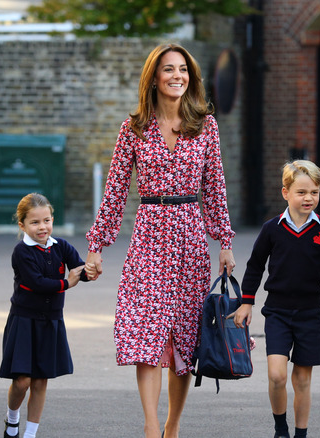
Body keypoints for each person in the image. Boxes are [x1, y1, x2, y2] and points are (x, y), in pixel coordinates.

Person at [83, 43, 236, 438]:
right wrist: (97, 246)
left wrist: (225, 242)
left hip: (189, 236)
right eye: (168, 70)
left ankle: (172, 426)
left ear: (191, 76)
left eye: (183, 69)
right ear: (154, 77)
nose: (177, 76)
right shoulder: (133, 128)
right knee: (146, 330)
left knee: (185, 338)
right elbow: (115, 192)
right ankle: (151, 426)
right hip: (149, 234)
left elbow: (215, 188)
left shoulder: (206, 125)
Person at [232, 160, 320, 438]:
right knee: (277, 375)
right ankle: (281, 429)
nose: (308, 198)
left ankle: (300, 434)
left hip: (311, 314)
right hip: (278, 313)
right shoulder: (272, 228)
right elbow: (255, 266)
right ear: (286, 193)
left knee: (302, 380)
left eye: (314, 192)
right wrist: (246, 302)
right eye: (301, 192)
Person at [0, 193, 88, 438]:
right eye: (35, 222)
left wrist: (90, 269)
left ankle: (30, 434)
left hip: (51, 321)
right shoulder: (22, 252)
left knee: (40, 381)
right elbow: (37, 283)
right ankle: (12, 417)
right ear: (23, 225)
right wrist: (66, 283)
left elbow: (78, 267)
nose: (42, 227)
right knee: (22, 381)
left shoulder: (61, 246)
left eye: (47, 220)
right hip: (24, 320)